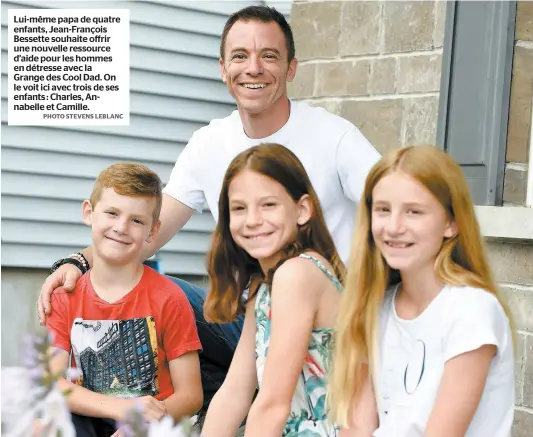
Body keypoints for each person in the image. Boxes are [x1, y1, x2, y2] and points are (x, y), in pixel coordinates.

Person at [37, 5, 380, 418]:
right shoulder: (209, 143)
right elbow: (145, 235)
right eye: (239, 56)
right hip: (253, 318)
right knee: (166, 293)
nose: (253, 68)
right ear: (223, 68)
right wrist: (77, 262)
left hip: (325, 323)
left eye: (268, 56)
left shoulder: (334, 136)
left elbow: (393, 206)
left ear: (291, 68)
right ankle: (121, 411)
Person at [328, 146, 515, 437]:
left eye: (413, 212)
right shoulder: (375, 307)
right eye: (383, 210)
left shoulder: (472, 310)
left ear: (451, 223)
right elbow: (357, 427)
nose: (393, 227)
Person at [45, 163, 203, 437]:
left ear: (153, 231)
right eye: (112, 213)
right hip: (92, 415)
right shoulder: (65, 297)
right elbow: (53, 382)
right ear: (88, 213)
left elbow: (190, 395)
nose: (121, 227)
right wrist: (122, 409)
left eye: (137, 220)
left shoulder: (170, 298)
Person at [200, 143, 343, 437]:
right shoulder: (264, 284)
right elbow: (235, 391)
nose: (252, 220)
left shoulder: (298, 274)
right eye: (239, 208)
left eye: (268, 205)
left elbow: (273, 404)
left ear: (302, 210)